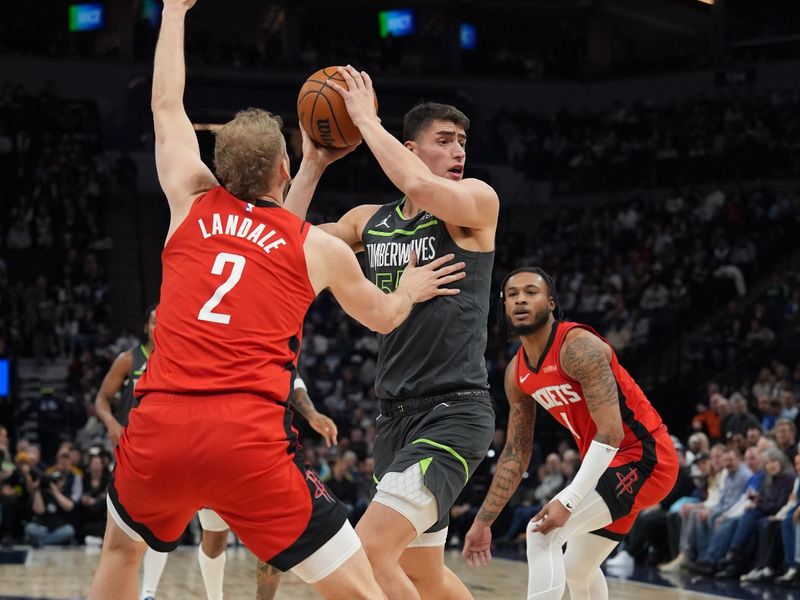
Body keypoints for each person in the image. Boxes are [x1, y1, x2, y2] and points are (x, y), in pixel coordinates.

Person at [87, 2, 463, 599]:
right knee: (360, 587)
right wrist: (410, 288)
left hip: (159, 428)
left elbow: (165, 104)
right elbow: (384, 315)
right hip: (246, 440)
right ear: (282, 169)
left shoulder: (187, 199)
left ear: (217, 167)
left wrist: (174, 11)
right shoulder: (315, 247)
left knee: (121, 550)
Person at [286, 68, 498, 599]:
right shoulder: (369, 221)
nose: (459, 152)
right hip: (394, 418)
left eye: (462, 142)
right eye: (444, 141)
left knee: (370, 553)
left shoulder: (476, 203)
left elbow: (419, 185)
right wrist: (311, 164)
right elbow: (284, 242)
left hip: (454, 412)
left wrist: (363, 117)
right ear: (409, 147)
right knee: (423, 573)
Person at [462, 267, 679, 600]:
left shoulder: (579, 347)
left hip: (645, 458)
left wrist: (570, 498)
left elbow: (611, 432)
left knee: (541, 533)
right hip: (607, 467)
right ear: (504, 306)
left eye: (531, 292)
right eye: (512, 294)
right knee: (578, 569)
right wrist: (483, 521)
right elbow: (516, 453)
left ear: (551, 302)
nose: (520, 299)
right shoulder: (516, 372)